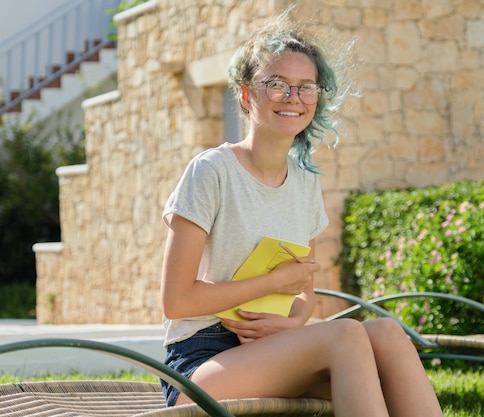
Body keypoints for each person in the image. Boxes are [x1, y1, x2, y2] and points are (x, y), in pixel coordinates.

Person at [159, 8, 443, 417]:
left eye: (305, 87)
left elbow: (303, 295)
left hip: (276, 347)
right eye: (276, 84)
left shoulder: (305, 181)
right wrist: (272, 282)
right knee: (345, 335)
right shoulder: (211, 171)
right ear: (245, 94)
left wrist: (292, 323)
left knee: (386, 333)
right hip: (200, 363)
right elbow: (177, 300)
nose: (293, 98)